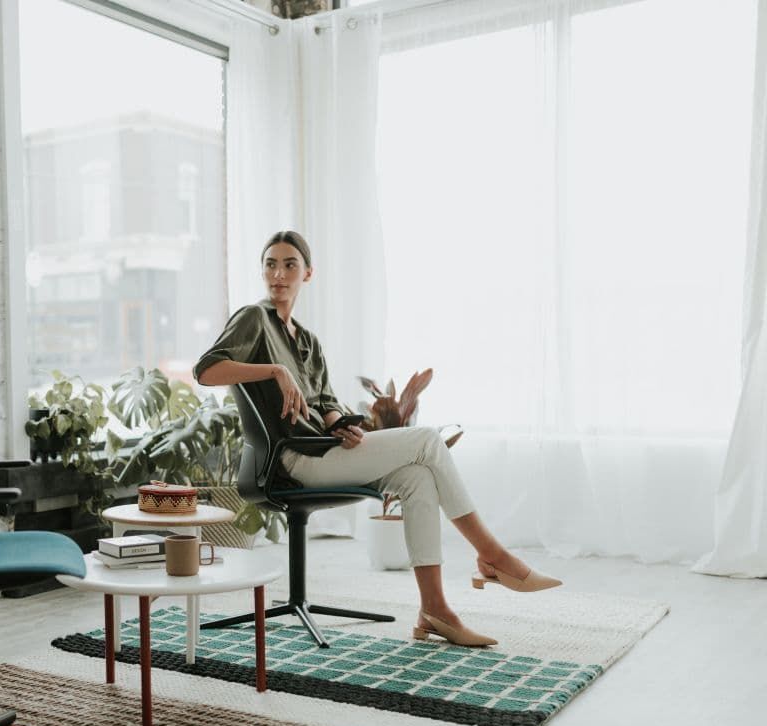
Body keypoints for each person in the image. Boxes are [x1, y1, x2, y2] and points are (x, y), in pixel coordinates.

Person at [193, 230, 561, 647]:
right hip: (291, 459)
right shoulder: (253, 318)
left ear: (308, 273)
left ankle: (435, 611)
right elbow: (207, 370)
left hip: (324, 448)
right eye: (270, 264)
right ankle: (494, 556)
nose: (278, 273)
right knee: (426, 440)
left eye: (289, 264)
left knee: (417, 478)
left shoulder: (309, 341)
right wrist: (274, 371)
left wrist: (339, 424)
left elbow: (326, 402)